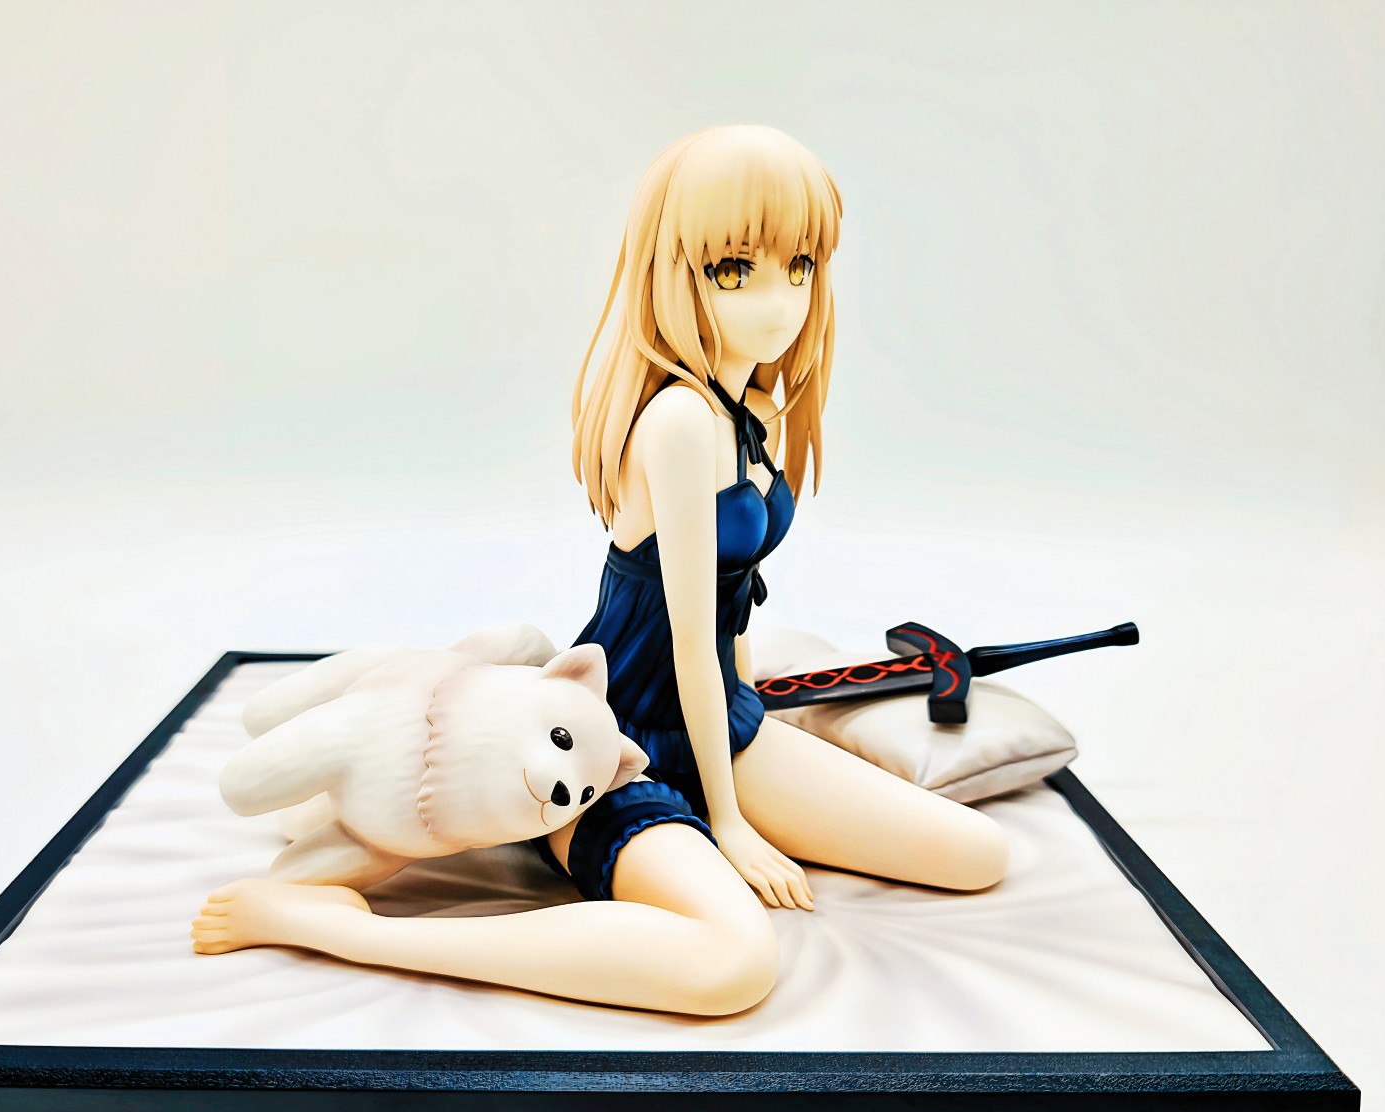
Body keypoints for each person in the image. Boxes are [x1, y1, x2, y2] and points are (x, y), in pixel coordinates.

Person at [192, 126, 1008, 1017]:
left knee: (977, 855)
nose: (778, 301)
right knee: (733, 965)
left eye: (800, 265)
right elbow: (686, 639)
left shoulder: (755, 413)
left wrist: (753, 733)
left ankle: (705, 813)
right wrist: (729, 823)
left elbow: (728, 613)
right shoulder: (679, 423)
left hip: (718, 720)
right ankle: (337, 928)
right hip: (610, 738)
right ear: (675, 272)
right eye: (735, 269)